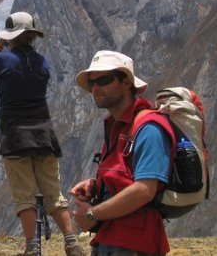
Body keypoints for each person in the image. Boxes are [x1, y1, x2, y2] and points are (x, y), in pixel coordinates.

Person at [0, 11, 84, 256]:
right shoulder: (43, 62)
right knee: (52, 192)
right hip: (44, 134)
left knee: (24, 195)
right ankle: (71, 242)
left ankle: (32, 248)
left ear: (11, 36)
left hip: (15, 135)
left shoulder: (4, 58)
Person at [69, 50, 174, 256]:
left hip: (134, 243)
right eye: (92, 84)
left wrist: (92, 214)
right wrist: (96, 184)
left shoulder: (149, 128)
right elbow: (125, 175)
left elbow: (144, 189)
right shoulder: (117, 127)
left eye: (104, 80)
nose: (96, 88)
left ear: (126, 82)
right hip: (111, 238)